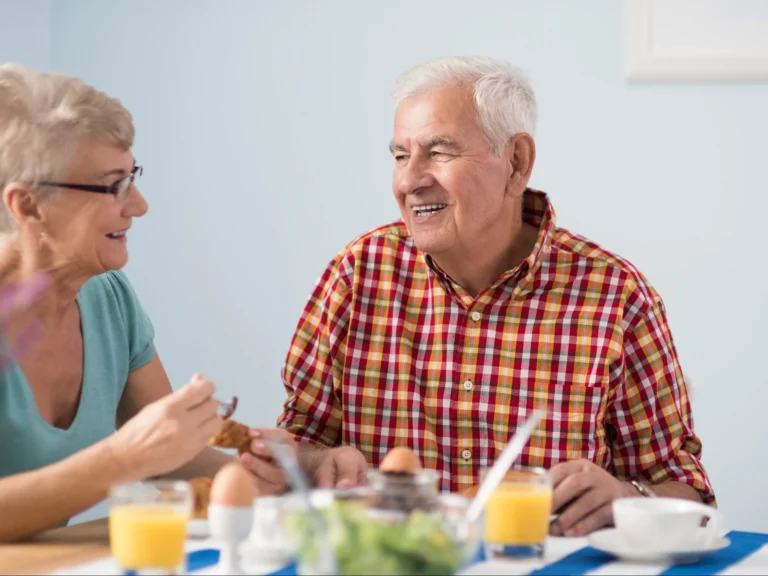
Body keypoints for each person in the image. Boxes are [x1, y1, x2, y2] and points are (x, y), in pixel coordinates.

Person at [277, 56, 715, 537]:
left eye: (439, 152)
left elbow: (689, 496)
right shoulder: (358, 275)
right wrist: (318, 463)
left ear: (516, 162)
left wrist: (630, 499)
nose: (408, 180)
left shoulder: (617, 298)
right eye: (401, 155)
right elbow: (295, 446)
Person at [0, 64, 293, 542]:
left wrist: (261, 478)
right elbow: (138, 454)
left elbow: (167, 454)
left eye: (131, 176)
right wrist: (122, 459)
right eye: (113, 184)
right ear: (28, 205)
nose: (138, 205)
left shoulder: (108, 297)